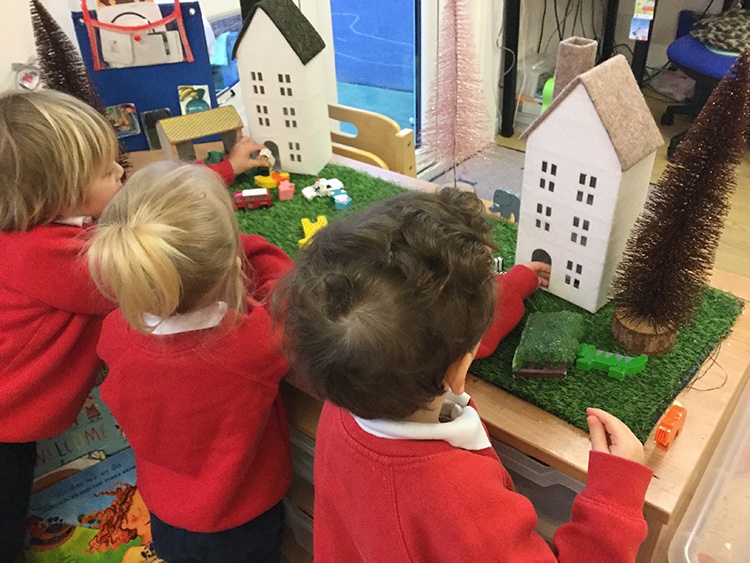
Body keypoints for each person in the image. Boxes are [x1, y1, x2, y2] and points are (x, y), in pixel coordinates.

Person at [276, 189, 654, 562]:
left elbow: (429, 333)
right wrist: (614, 498)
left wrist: (512, 287)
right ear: (458, 370)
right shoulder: (461, 504)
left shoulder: (350, 386)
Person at [88, 161, 293, 563]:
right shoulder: (250, 345)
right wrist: (245, 246)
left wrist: (218, 252)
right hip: (242, 520)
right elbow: (287, 291)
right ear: (232, 266)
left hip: (166, 513)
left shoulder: (114, 332)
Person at [0, 89, 123, 562]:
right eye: (107, 172)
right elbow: (145, 270)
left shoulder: (28, 234)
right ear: (62, 192)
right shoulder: (56, 258)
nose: (121, 174)